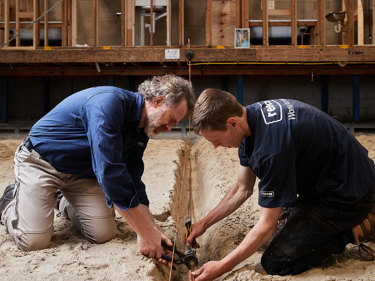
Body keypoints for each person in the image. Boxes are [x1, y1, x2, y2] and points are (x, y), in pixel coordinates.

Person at [0, 75, 195, 264]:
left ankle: (59, 198)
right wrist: (144, 232)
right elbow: (110, 172)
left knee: (102, 233)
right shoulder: (108, 104)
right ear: (158, 101)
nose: (169, 128)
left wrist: (152, 228)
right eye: (170, 119)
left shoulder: (141, 129)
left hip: (82, 174)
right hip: (42, 163)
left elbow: (133, 177)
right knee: (34, 241)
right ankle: (10, 201)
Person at [186, 88, 375, 281]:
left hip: (348, 194)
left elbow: (267, 225)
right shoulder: (248, 119)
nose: (215, 146)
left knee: (276, 261)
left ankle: (358, 227)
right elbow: (242, 188)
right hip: (330, 179)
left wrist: (221, 267)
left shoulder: (271, 149)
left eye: (215, 140)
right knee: (267, 240)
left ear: (232, 123)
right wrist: (204, 224)